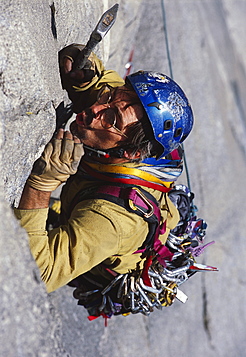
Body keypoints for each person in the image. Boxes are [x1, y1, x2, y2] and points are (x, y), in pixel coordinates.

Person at [14, 44, 193, 300]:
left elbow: (37, 273)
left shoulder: (111, 220)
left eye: (111, 120)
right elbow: (105, 84)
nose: (95, 111)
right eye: (108, 97)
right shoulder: (121, 113)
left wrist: (40, 186)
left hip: (102, 241)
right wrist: (85, 77)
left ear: (130, 153)